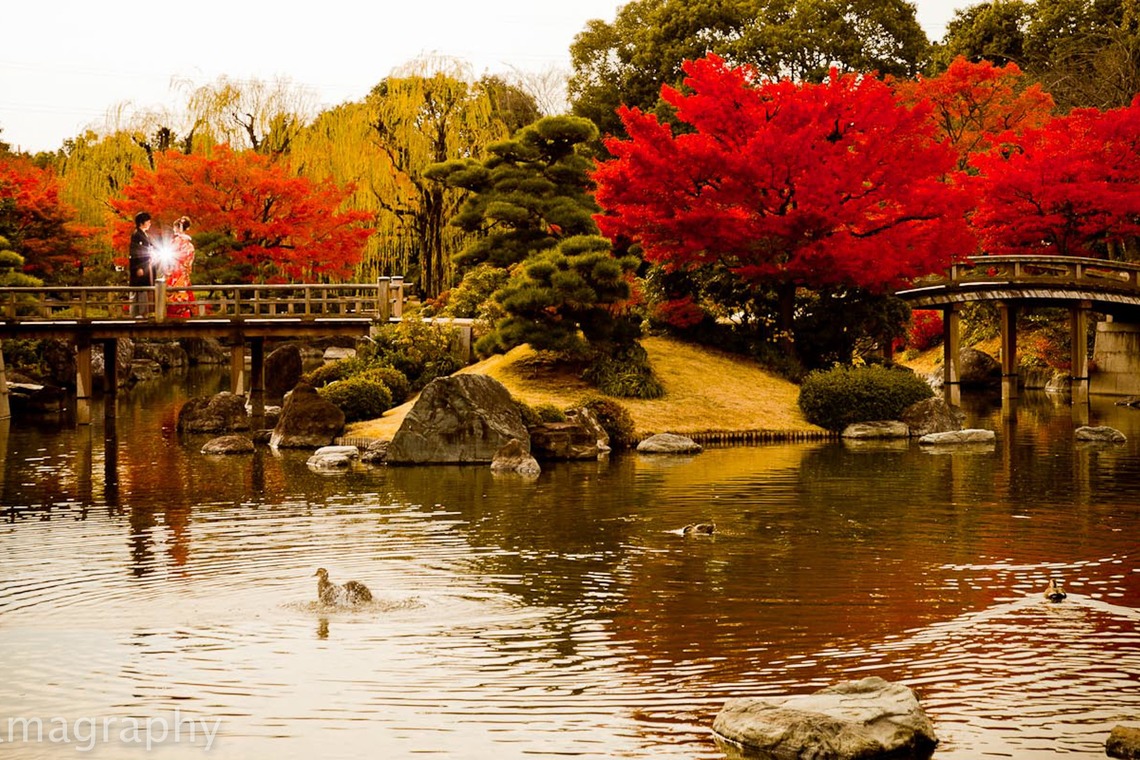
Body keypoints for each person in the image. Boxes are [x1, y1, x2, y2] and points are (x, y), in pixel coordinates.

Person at [165, 216, 196, 317]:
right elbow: (189, 259)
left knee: (173, 293)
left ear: (179, 228)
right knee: (183, 292)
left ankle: (173, 314)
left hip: (175, 273)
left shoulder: (176, 241)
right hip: (183, 273)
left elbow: (169, 257)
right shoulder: (189, 245)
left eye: (175, 227)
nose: (174, 229)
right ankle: (185, 313)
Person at [128, 211, 155, 316]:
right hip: (140, 267)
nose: (149, 223)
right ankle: (138, 313)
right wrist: (138, 267)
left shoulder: (144, 235)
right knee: (139, 289)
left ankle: (143, 312)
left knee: (143, 289)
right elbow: (135, 252)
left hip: (146, 265)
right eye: (148, 221)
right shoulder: (136, 235)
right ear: (141, 223)